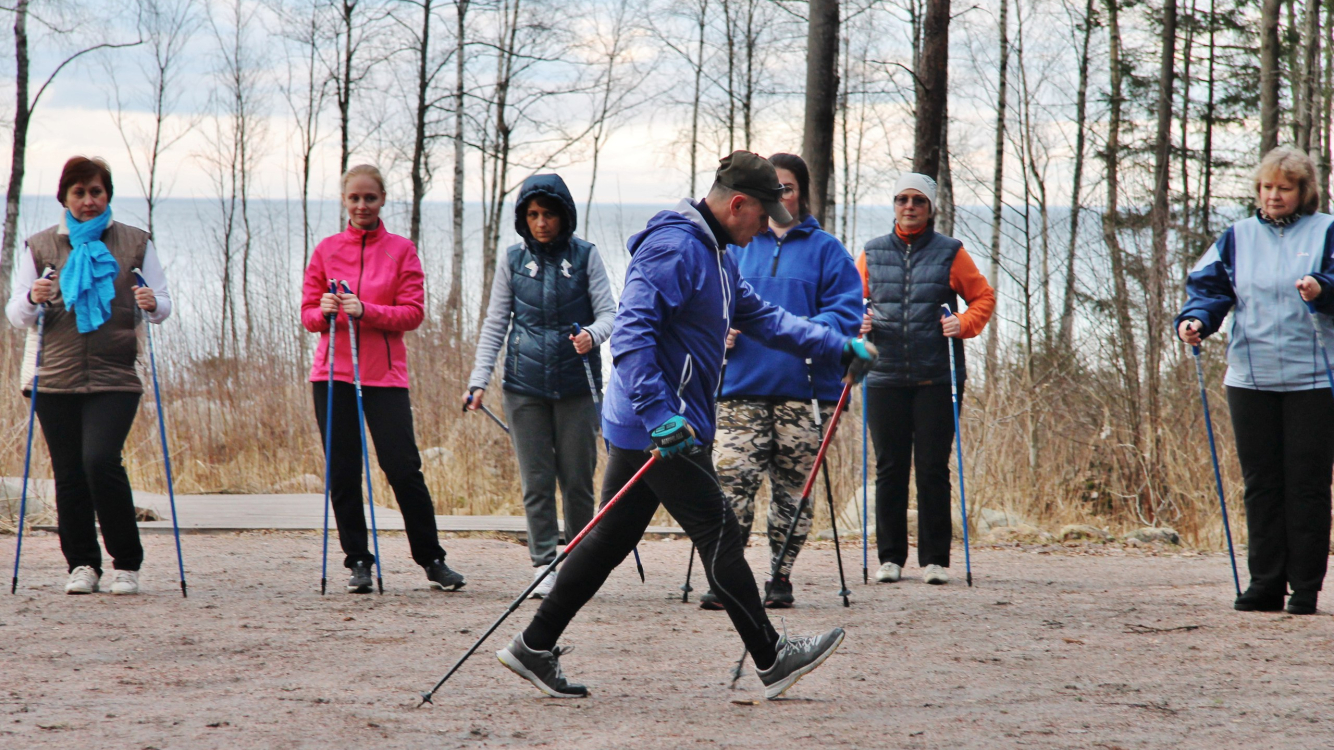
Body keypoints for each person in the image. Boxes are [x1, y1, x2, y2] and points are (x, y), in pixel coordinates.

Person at [495, 151, 877, 701]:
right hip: (660, 426)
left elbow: (766, 318)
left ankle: (533, 644)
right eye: (763, 213)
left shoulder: (717, 254)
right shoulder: (676, 248)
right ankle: (772, 657)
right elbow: (629, 337)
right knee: (719, 531)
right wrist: (658, 415)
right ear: (737, 203)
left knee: (608, 541)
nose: (768, 225)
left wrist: (837, 345)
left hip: (653, 423)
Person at [700, 153, 863, 610]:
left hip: (806, 392)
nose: (781, 197)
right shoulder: (735, 244)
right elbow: (710, 303)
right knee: (731, 484)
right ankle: (727, 575)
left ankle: (780, 577)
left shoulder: (828, 250)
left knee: (793, 490)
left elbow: (847, 315)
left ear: (803, 193)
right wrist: (722, 327)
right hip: (739, 387)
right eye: (773, 189)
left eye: (787, 188)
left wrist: (798, 326)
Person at [1176, 145, 1334, 616]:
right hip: (1251, 377)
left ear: (1303, 192)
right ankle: (1264, 583)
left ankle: (1305, 587)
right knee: (1261, 483)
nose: (1274, 196)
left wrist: (1322, 289)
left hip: (1314, 378)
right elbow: (1209, 289)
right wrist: (1197, 321)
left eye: (1284, 188)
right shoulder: (1236, 236)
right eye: (1267, 187)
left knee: (1306, 484)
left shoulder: (1326, 230)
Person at [5, 156, 172, 596]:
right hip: (54, 376)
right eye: (79, 193)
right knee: (69, 472)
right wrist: (32, 297)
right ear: (65, 197)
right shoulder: (40, 247)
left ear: (107, 196)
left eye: (96, 191)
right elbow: (17, 314)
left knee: (100, 461)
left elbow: (164, 306)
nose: (88, 201)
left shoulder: (135, 243)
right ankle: (82, 564)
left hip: (116, 375)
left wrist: (152, 302)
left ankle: (126, 563)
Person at [301, 164, 465, 594]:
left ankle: (432, 559)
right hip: (332, 375)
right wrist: (326, 312)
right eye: (354, 198)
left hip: (384, 378)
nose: (361, 206)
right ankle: (358, 561)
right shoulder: (325, 250)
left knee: (403, 469)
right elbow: (308, 317)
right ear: (343, 201)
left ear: (382, 200)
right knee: (343, 472)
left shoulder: (401, 250)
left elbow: (413, 313)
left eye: (369, 198)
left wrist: (365, 310)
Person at [464, 174, 616, 599]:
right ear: (523, 218)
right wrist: (478, 381)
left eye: (548, 214)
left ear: (563, 215)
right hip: (523, 387)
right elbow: (495, 323)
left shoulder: (586, 256)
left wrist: (592, 334)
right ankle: (544, 564)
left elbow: (610, 314)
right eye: (533, 215)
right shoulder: (512, 261)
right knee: (536, 481)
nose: (541, 222)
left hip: (577, 387)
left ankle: (578, 561)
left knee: (578, 480)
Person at [857, 173, 995, 587]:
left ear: (930, 207)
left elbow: (983, 297)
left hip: (937, 377)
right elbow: (845, 301)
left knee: (933, 468)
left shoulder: (951, 253)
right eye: (902, 198)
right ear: (894, 205)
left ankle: (935, 559)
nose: (909, 206)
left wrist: (963, 323)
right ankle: (890, 558)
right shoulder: (872, 252)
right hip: (883, 376)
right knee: (890, 467)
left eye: (918, 200)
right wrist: (856, 321)